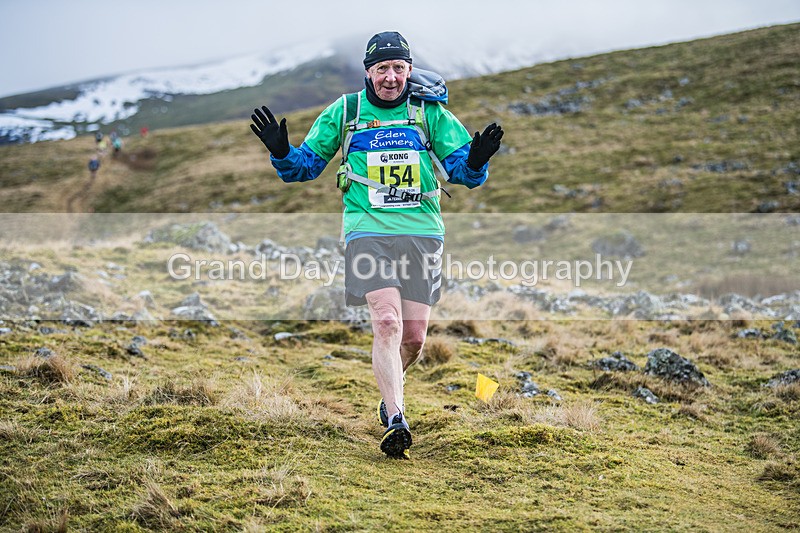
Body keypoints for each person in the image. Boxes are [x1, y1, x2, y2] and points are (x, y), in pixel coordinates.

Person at [250, 31, 503, 458]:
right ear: (368, 71)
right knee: (387, 322)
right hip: (367, 230)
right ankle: (397, 419)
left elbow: (463, 172)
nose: (391, 77)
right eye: (382, 68)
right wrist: (281, 152)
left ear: (409, 69)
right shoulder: (345, 111)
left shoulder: (429, 112)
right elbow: (304, 167)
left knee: (414, 339)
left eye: (398, 68)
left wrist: (477, 159)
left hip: (422, 231)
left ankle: (389, 394)